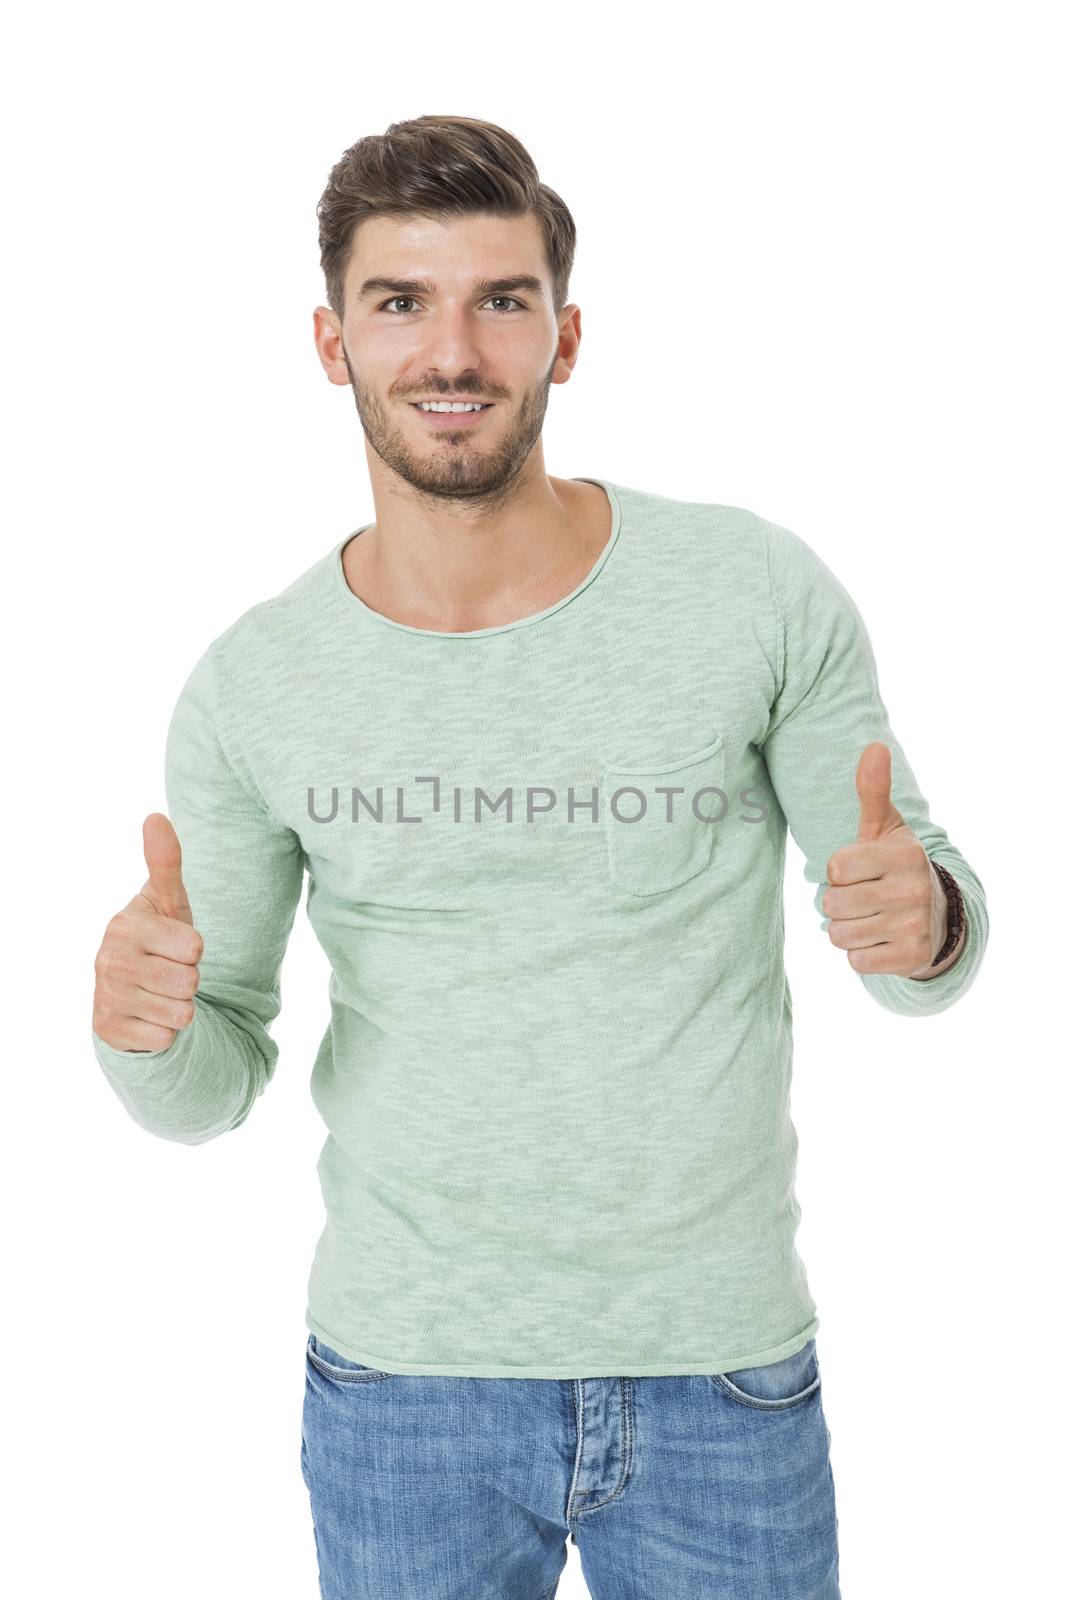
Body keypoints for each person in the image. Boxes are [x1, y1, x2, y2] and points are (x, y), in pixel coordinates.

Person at [90, 114, 988, 1600]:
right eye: (402, 303)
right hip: (402, 1387)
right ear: (333, 344)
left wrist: (929, 920)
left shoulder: (753, 593)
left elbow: (917, 928)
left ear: (565, 338)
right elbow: (210, 1079)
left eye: (501, 300)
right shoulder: (254, 685)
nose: (455, 351)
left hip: (722, 1374)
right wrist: (145, 1033)